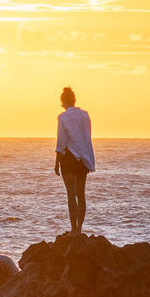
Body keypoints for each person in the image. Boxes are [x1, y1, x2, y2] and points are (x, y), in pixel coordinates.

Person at [54, 87, 96, 235]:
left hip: (68, 157)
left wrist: (57, 162)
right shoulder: (85, 115)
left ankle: (73, 229)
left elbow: (61, 142)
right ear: (74, 99)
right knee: (81, 194)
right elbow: (86, 137)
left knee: (71, 194)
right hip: (83, 158)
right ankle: (79, 229)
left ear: (63, 101)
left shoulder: (63, 117)